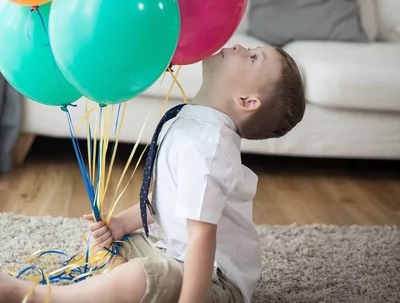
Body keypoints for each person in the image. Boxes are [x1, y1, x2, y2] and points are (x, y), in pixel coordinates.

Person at [0, 44, 305, 303]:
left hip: (216, 281)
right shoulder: (193, 122)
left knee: (138, 276)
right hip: (176, 253)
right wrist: (120, 225)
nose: (240, 47)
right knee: (105, 244)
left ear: (247, 102)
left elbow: (202, 237)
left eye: (252, 57)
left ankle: (32, 295)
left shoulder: (207, 147)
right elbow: (162, 197)